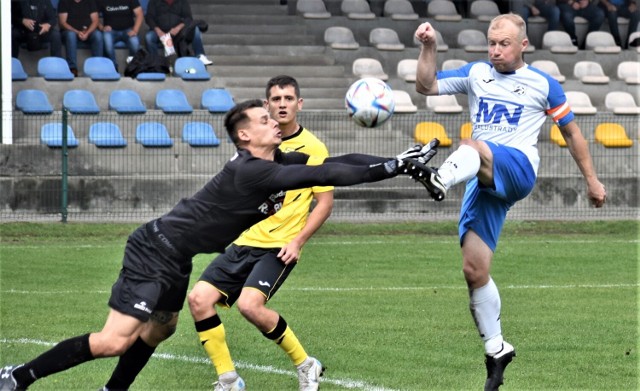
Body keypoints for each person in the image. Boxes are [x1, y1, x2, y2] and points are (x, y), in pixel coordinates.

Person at [0, 99, 437, 391]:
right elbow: (324, 177)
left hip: (177, 257)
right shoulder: (252, 171)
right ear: (244, 136)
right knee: (115, 340)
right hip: (153, 251)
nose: (275, 120)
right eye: (265, 119)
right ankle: (19, 377)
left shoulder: (275, 160)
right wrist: (390, 167)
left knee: (161, 329)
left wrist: (397, 161)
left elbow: (333, 163)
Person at [413, 14, 606, 391]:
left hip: (516, 169)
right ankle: (497, 347)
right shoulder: (475, 73)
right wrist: (429, 47)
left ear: (523, 45)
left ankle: (437, 177)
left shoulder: (543, 84)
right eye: (491, 42)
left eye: (503, 43)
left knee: (473, 144)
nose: (495, 50)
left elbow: (572, 133)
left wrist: (592, 180)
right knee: (474, 269)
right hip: (481, 179)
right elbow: (427, 86)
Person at [187, 76, 333, 391]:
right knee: (199, 299)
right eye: (276, 99)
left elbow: (324, 202)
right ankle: (229, 379)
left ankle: (306, 365)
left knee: (250, 306)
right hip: (243, 242)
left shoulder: (313, 148)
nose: (282, 104)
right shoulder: (257, 145)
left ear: (299, 104)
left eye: (289, 98)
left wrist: (298, 241)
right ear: (266, 106)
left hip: (279, 247)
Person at [144, 0, 212, 65]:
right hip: (160, 32)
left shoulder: (182, 1)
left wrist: (178, 28)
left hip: (179, 32)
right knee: (149, 37)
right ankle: (155, 61)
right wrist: (158, 31)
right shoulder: (154, 1)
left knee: (195, 29)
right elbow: (149, 18)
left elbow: (188, 18)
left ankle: (200, 55)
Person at [57, 0, 104, 76]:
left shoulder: (90, 2)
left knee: (98, 35)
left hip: (88, 32)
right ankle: (72, 68)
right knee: (71, 35)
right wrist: (77, 32)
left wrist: (87, 32)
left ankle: (97, 66)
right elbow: (62, 23)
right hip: (70, 32)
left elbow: (95, 21)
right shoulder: (64, 2)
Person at [97, 0, 144, 71]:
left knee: (135, 43)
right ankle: (113, 67)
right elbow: (94, 15)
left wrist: (135, 30)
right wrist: (102, 28)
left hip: (128, 30)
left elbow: (139, 14)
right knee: (107, 43)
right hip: (110, 31)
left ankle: (131, 67)